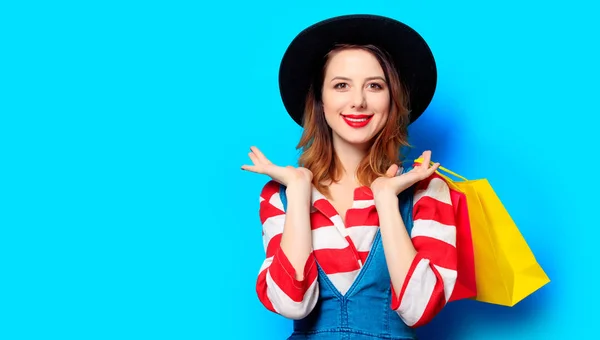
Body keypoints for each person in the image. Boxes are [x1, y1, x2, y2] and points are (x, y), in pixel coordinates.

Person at [242, 14, 458, 340]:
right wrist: (301, 191)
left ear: (392, 99)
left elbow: (419, 310)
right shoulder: (281, 195)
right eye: (341, 85)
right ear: (320, 100)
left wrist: (386, 199)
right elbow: (291, 303)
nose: (358, 101)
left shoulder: (428, 190)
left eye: (375, 85)